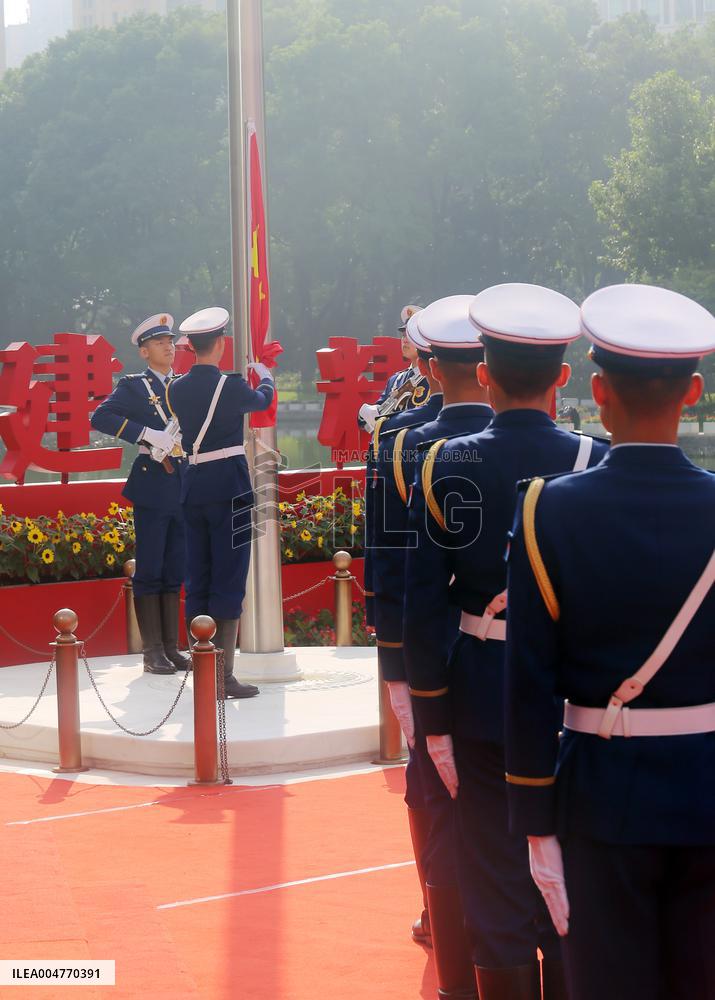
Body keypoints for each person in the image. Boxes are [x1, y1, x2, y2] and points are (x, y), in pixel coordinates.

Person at [504, 283, 715, 1000]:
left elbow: (527, 678)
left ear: (597, 391)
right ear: (690, 392)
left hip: (599, 795)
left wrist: (533, 822)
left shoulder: (546, 509)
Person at [403, 284, 609, 1000]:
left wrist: (430, 718)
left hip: (477, 690)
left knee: (490, 869)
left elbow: (421, 609)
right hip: (570, 697)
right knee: (575, 870)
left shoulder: (441, 461)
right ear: (563, 376)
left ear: (483, 373)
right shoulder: (595, 459)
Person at [374, 297, 493, 1000]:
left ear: (425, 364)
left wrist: (397, 666)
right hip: (523, 655)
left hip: (429, 650)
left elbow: (388, 566)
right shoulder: (566, 444)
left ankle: (439, 909)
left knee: (435, 785)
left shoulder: (397, 440)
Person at [166, 307, 274, 699]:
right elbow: (261, 401)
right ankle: (222, 676)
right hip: (229, 486)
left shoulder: (175, 388)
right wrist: (266, 377)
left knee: (197, 579)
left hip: (193, 487)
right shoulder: (229, 387)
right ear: (222, 344)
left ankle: (202, 670)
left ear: (191, 347)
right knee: (228, 579)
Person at [91, 313, 189, 674]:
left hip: (183, 481)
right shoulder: (134, 387)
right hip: (152, 482)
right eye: (161, 342)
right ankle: (152, 651)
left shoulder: (182, 385)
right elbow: (100, 417)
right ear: (145, 351)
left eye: (171, 341)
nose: (169, 346)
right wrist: (147, 434)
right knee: (151, 566)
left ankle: (171, 647)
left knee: (175, 567)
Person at [358, 305, 430, 431]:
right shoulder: (396, 380)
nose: (405, 340)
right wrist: (367, 413)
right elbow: (365, 422)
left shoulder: (435, 378)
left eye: (410, 335)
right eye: (403, 334)